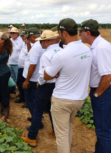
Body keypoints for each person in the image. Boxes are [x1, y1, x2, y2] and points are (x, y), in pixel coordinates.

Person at [44, 18, 92, 153]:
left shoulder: (61, 55)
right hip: (79, 99)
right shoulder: (86, 49)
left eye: (59, 32)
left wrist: (54, 71)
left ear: (64, 32)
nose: (58, 36)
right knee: (68, 128)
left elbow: (47, 75)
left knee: (62, 136)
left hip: (62, 100)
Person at [22, 30, 62, 146]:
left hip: (46, 85)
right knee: (51, 108)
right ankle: (55, 131)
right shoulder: (61, 51)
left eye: (42, 42)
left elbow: (45, 74)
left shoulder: (47, 54)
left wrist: (39, 82)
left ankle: (32, 137)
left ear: (47, 41)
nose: (40, 44)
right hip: (57, 85)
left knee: (38, 110)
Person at [79, 19, 111, 153]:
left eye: (80, 32)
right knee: (102, 128)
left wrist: (97, 94)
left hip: (103, 93)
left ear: (87, 33)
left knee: (103, 130)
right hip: (102, 93)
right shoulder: (96, 46)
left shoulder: (101, 48)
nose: (79, 35)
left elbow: (108, 76)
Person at [22, 27, 44, 130]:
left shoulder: (36, 47)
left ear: (33, 36)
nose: (28, 38)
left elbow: (33, 65)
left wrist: (27, 80)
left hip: (32, 78)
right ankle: (37, 118)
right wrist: (28, 45)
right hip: (37, 77)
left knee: (30, 100)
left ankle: (37, 122)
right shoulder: (39, 45)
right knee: (35, 100)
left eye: (29, 37)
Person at [15, 30, 29, 104]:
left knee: (26, 85)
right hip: (21, 68)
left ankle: (27, 100)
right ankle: (22, 97)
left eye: (24, 36)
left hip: (27, 69)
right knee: (19, 83)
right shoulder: (24, 44)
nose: (22, 37)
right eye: (22, 36)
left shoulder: (31, 45)